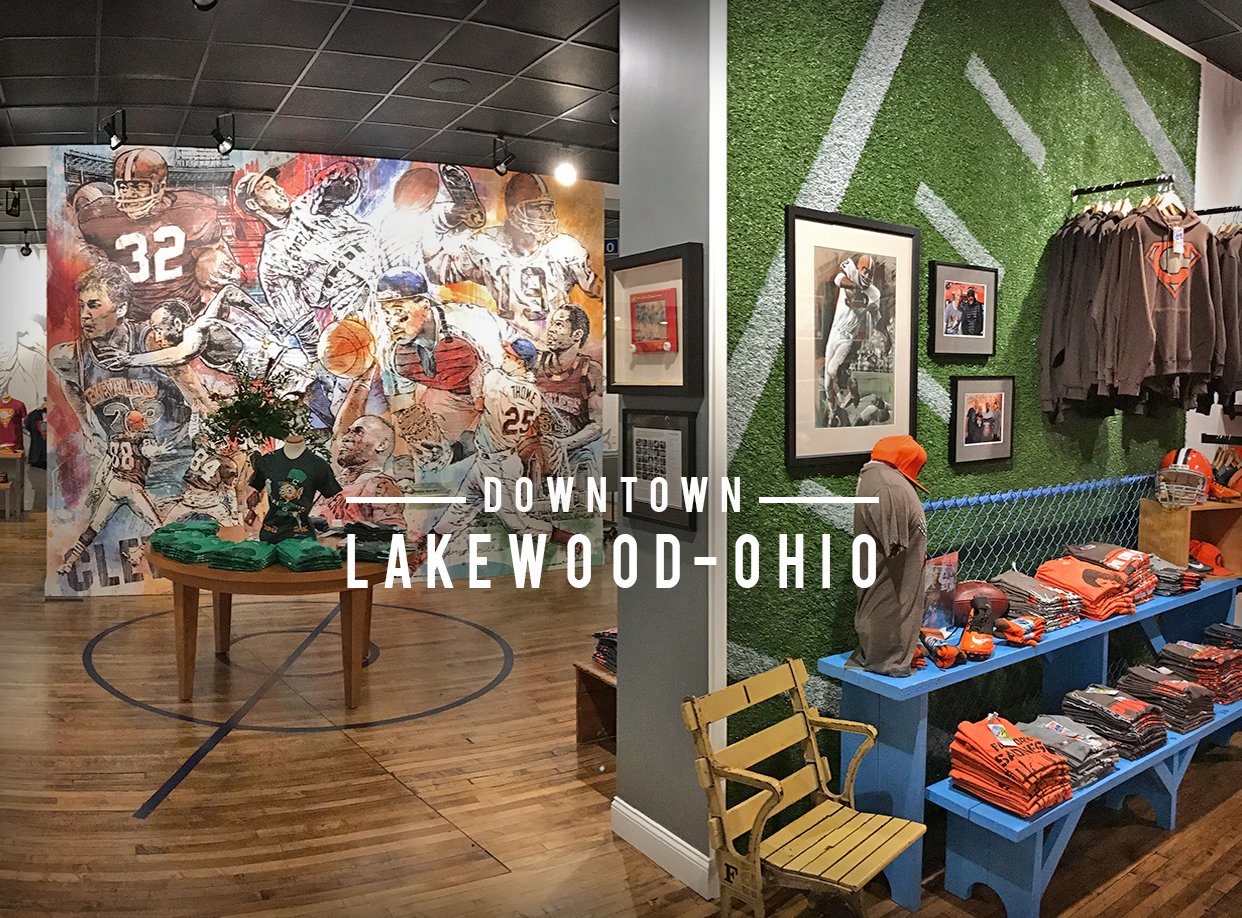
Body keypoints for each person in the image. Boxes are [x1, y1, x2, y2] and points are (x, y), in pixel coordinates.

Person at [423, 339, 575, 546]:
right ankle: (426, 550)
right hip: (493, 460)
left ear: (520, 362)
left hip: (498, 466)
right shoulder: (534, 394)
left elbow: (478, 404)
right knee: (457, 512)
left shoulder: (496, 379)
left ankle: (571, 540)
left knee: (520, 525)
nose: (504, 358)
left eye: (509, 356)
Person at [75, 148, 232, 321]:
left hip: (185, 312)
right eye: (123, 187)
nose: (129, 194)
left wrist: (213, 259)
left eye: (138, 186)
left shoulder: (190, 209)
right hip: (130, 318)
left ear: (160, 187)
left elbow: (217, 249)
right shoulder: (98, 217)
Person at [49, 262, 190, 451]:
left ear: (121, 309)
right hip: (124, 458)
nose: (84, 315)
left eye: (94, 305)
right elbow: (69, 384)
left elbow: (191, 387)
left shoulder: (151, 341)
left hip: (173, 451)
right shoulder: (68, 357)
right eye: (82, 306)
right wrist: (88, 429)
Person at [454, 173, 601, 338]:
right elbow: (438, 272)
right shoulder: (486, 244)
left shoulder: (564, 247)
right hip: (510, 342)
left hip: (554, 342)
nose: (544, 216)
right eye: (536, 208)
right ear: (513, 212)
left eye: (547, 208)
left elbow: (599, 290)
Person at [57, 411, 170, 574]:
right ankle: (142, 554)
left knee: (94, 527)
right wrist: (158, 450)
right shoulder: (143, 438)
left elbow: (105, 466)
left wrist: (97, 487)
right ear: (131, 424)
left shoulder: (115, 439)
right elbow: (147, 451)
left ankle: (70, 562)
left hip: (114, 486)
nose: (144, 423)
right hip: (132, 488)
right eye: (139, 421)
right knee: (158, 527)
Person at [535, 304, 603, 487]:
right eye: (551, 324)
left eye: (559, 324)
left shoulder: (590, 371)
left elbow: (597, 424)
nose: (551, 330)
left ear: (577, 334)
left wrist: (564, 444)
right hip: (536, 451)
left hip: (573, 451)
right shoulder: (536, 365)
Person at [318, 415, 407, 529]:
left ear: (381, 445)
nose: (346, 438)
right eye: (349, 432)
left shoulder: (379, 487)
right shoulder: (329, 484)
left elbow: (391, 532)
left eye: (358, 432)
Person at [822, 254, 880, 411]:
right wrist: (854, 287)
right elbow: (838, 279)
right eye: (864, 270)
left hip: (848, 336)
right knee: (827, 383)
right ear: (859, 269)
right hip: (834, 331)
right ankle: (833, 411)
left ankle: (849, 387)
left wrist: (885, 335)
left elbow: (876, 316)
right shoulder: (850, 274)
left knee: (832, 369)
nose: (867, 275)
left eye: (870, 273)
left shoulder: (874, 293)